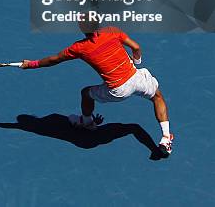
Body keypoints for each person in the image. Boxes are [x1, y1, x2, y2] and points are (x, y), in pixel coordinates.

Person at [21, 18, 174, 156]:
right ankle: (166, 138)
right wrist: (136, 62)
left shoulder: (79, 48)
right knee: (157, 97)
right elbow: (136, 47)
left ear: (82, 28)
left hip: (118, 90)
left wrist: (31, 64)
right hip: (136, 78)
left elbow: (54, 59)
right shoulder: (112, 31)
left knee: (86, 93)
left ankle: (87, 122)